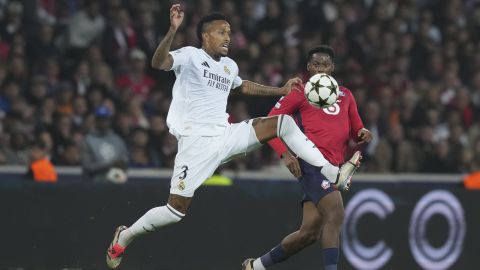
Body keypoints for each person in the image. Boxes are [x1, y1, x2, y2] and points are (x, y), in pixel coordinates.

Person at [106, 6, 361, 269]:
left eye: (229, 32)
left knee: (282, 123)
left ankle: (332, 172)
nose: (228, 37)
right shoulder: (190, 56)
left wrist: (280, 90)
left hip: (226, 134)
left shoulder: (228, 66)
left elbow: (243, 86)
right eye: (221, 32)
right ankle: (125, 235)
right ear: (205, 36)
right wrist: (172, 30)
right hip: (196, 144)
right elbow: (158, 63)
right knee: (174, 212)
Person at [241, 45, 373, 270]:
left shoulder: (345, 95)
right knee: (336, 212)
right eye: (316, 64)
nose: (321, 68)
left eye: (325, 64)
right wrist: (285, 154)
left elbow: (355, 129)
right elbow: (268, 124)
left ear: (332, 67)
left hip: (334, 168)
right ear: (309, 67)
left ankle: (256, 266)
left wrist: (363, 134)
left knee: (309, 233)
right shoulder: (299, 92)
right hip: (311, 165)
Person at [81, 105, 128, 182]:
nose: (103, 122)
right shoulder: (88, 140)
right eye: (100, 119)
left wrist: (121, 164)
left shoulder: (117, 139)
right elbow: (87, 166)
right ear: (95, 121)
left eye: (106, 119)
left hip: (116, 181)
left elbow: (124, 160)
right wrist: (109, 165)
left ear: (109, 121)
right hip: (94, 183)